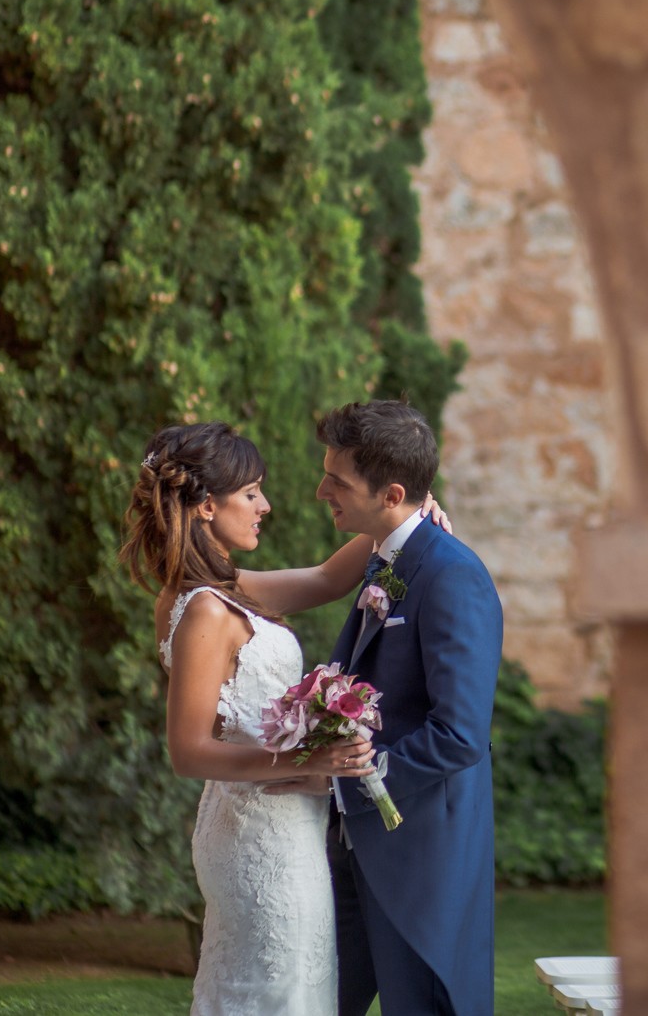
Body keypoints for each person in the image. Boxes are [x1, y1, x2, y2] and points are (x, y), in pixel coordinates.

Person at [125, 420, 438, 1016]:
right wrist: (310, 758)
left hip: (281, 824)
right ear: (203, 506)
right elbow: (187, 751)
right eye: (251, 493)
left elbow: (327, 578)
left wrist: (410, 516)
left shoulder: (224, 591)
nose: (265, 505)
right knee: (275, 993)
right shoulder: (203, 610)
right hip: (256, 837)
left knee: (292, 989)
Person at [315, 400, 503, 1016]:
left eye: (337, 482)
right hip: (356, 843)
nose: (322, 492)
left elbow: (460, 733)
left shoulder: (452, 576)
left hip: (419, 851)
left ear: (391, 493)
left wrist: (365, 779)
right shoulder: (387, 557)